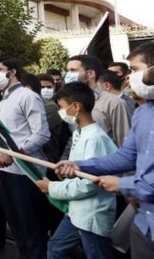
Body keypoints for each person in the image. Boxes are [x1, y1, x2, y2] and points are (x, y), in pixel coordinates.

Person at [55, 42, 154, 258]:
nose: (129, 78)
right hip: (143, 225)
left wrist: (123, 185)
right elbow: (125, 157)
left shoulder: (115, 107)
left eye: (135, 70)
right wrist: (79, 165)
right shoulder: (142, 113)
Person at [35, 82, 117, 259]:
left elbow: (89, 184)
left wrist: (52, 188)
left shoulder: (95, 139)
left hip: (92, 214)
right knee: (56, 249)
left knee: (96, 254)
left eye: (62, 107)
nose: (61, 112)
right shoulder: (80, 133)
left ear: (75, 107)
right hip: (76, 211)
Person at [0, 58, 51, 259]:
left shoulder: (28, 96)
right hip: (6, 171)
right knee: (16, 225)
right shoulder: (2, 99)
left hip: (27, 173)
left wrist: (16, 154)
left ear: (12, 72)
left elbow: (41, 134)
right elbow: (0, 137)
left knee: (31, 226)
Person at [64, 55, 131, 146]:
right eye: (68, 71)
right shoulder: (71, 102)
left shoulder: (113, 103)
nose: (68, 75)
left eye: (73, 70)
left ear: (90, 73)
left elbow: (124, 143)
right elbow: (74, 138)